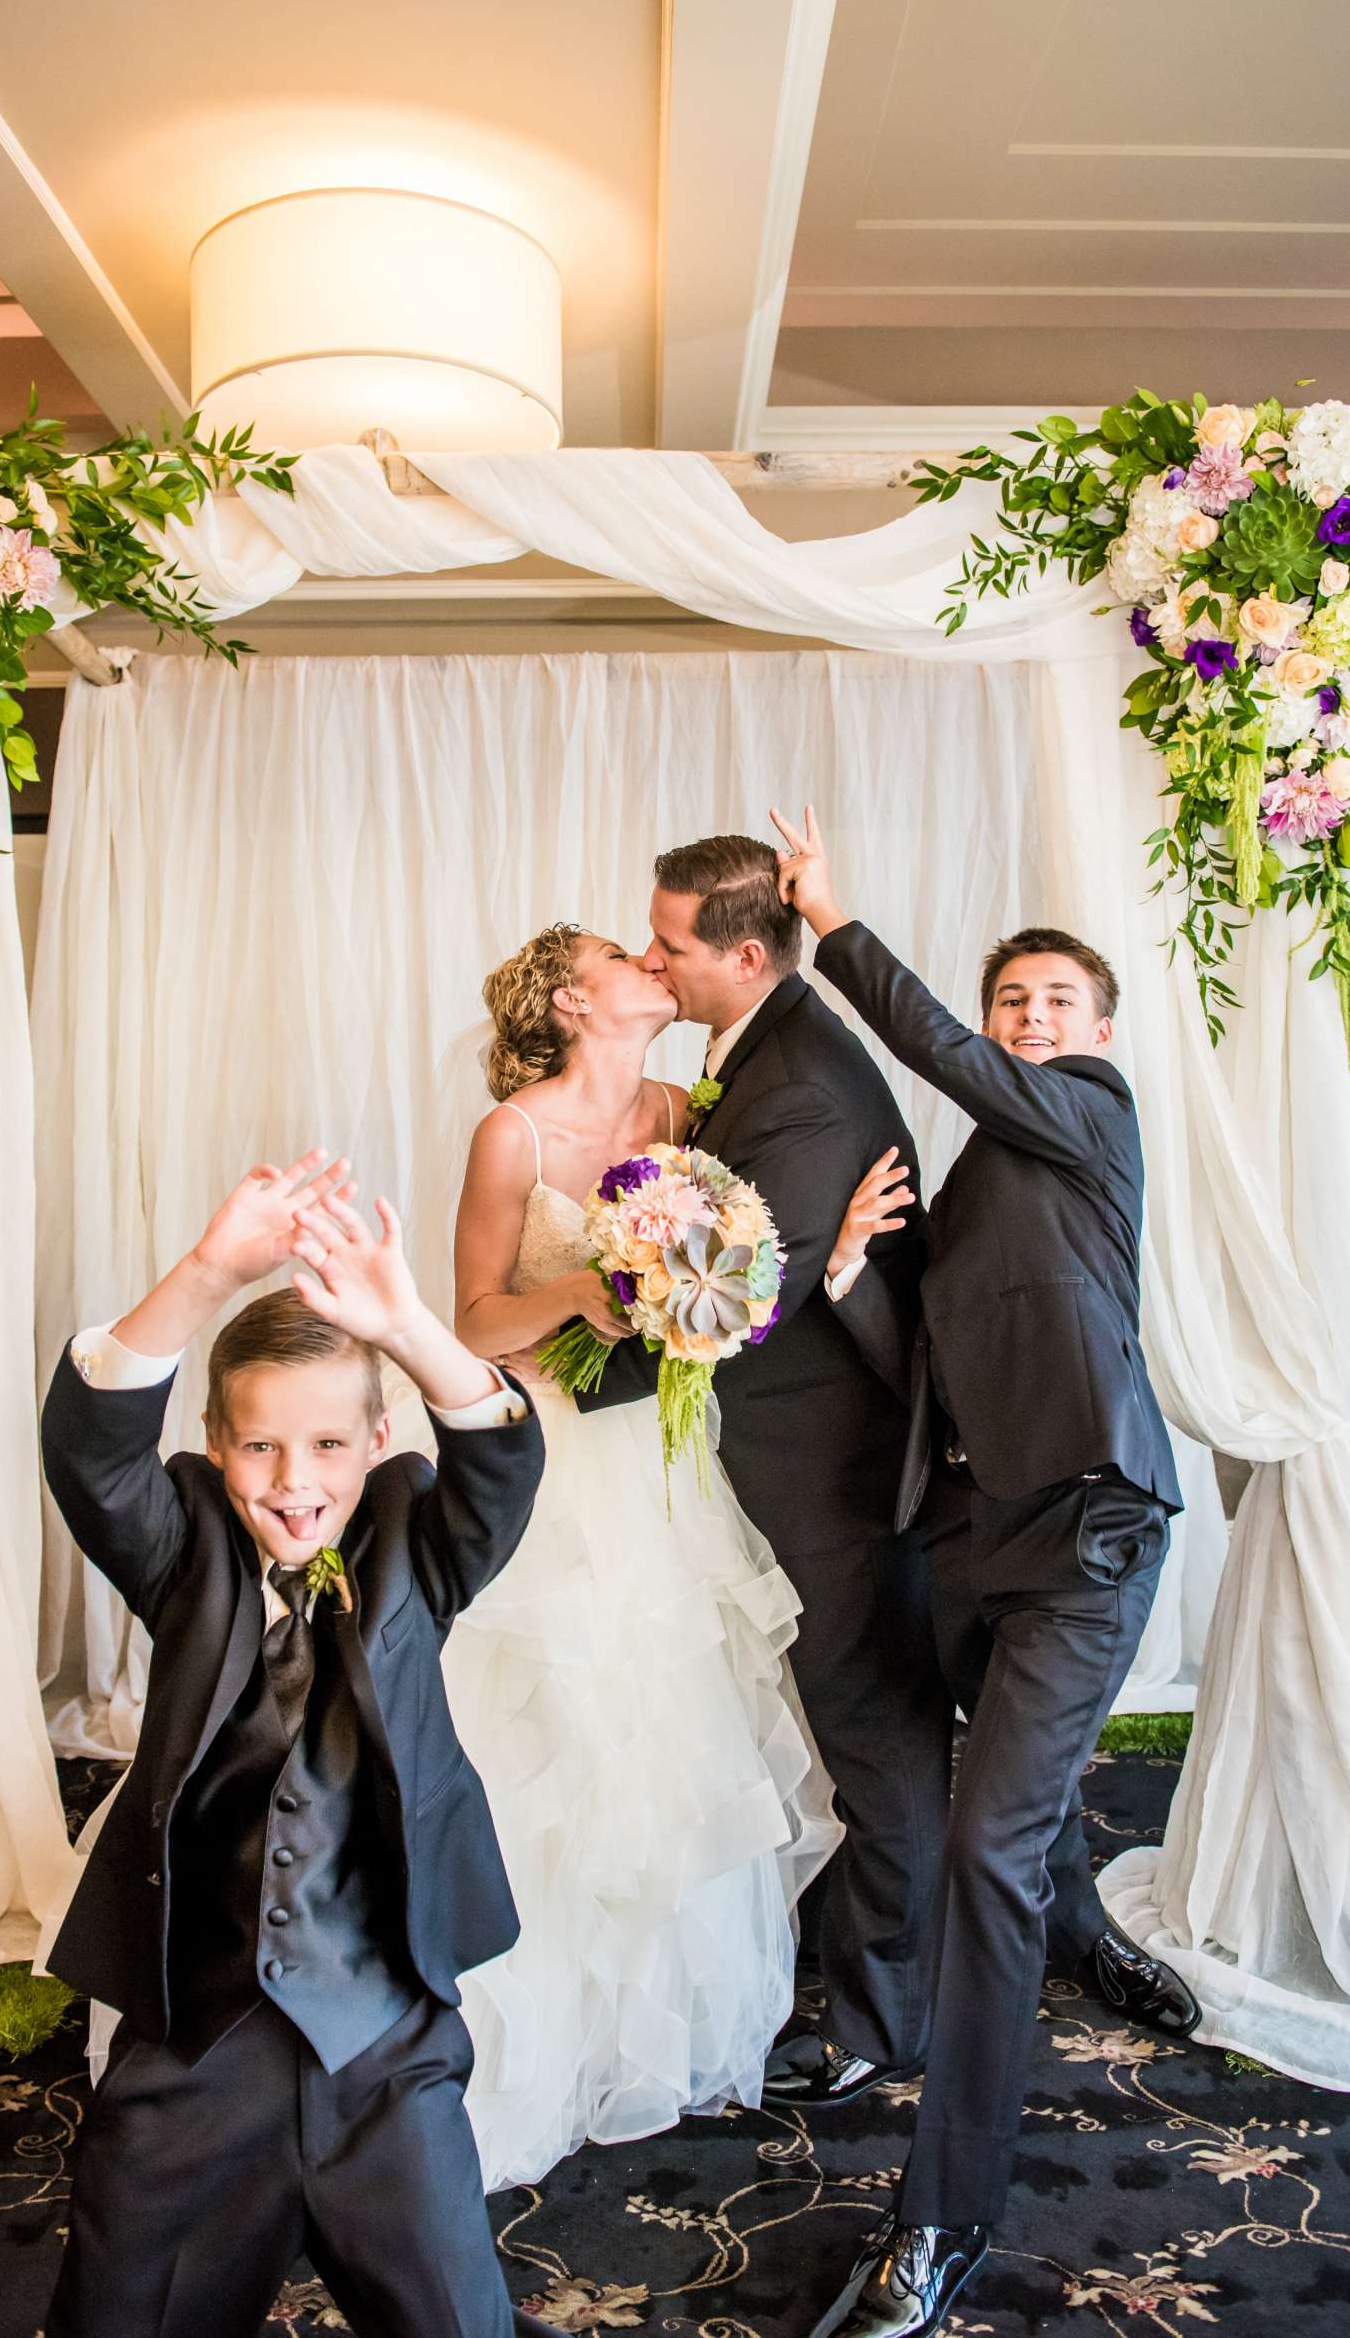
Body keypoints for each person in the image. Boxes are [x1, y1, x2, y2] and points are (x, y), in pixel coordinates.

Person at [770, 807, 1200, 2338]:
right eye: (1011, 998)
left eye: (1051, 1003)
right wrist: (843, 1283)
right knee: (996, 1807)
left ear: (1093, 1034)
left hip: (1088, 1529)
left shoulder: (1089, 1119)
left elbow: (950, 1057)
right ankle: (1081, 1931)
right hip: (964, 1539)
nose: (1027, 1020)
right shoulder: (972, 1192)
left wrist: (837, 924)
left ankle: (938, 2220)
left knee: (983, 1851)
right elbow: (927, 1369)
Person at [38, 1147, 556, 2338]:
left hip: (385, 2052)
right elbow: (89, 1446)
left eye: (328, 1446)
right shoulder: (184, 1555)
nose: (293, 1481)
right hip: (193, 2052)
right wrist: (212, 1269)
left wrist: (410, 1324)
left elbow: (500, 1453)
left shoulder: (417, 1547)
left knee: (454, 2319)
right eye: (261, 1446)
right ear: (216, 1448)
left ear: (376, 1442)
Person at [443, 923, 839, 2189]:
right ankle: (517, 2022)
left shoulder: (689, 1102)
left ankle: (643, 2024)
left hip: (663, 1456)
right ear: (572, 995)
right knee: (552, 1718)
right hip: (553, 1452)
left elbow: (733, 1251)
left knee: (674, 1723)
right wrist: (574, 1293)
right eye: (628, 953)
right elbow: (471, 1320)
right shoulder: (513, 1133)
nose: (653, 965)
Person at [572, 841, 952, 2104]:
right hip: (787, 1445)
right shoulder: (757, 1058)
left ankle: (878, 2019)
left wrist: (568, 1388)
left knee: (875, 1733)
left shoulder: (798, 1084)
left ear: (745, 956)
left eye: (668, 944)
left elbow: (739, 1298)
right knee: (843, 1719)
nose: (651, 960)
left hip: (834, 1464)